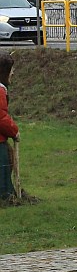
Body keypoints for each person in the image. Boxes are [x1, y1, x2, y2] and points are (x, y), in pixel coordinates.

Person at [0, 53, 17, 199]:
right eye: (10, 70)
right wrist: (14, 131)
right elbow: (1, 118)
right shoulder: (0, 91)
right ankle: (5, 195)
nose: (13, 73)